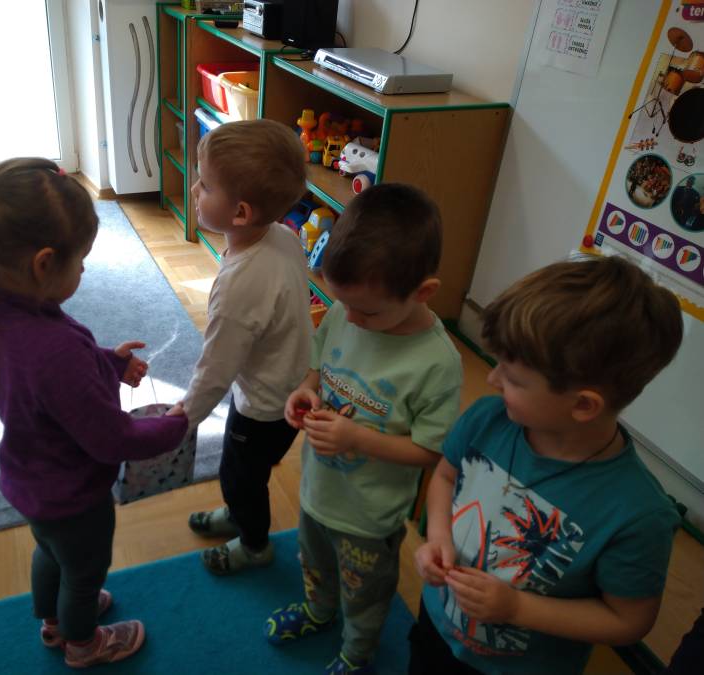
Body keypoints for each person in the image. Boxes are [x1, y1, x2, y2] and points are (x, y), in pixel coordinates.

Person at [0, 158, 188, 669]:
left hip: (30, 480)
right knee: (84, 572)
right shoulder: (54, 349)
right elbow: (112, 439)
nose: (83, 270)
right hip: (74, 495)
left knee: (50, 553)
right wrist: (175, 425)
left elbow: (52, 384)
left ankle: (53, 621)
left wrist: (109, 363)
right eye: (80, 260)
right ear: (43, 264)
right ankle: (83, 644)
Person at [412, 255, 684, 675]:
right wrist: (438, 536)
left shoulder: (637, 513)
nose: (492, 379)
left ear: (583, 405)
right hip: (437, 625)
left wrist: (517, 608)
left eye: (513, 377)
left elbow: (629, 620)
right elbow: (446, 476)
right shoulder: (487, 419)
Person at [264, 183, 464, 675]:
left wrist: (356, 439)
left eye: (367, 311)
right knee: (314, 565)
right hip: (317, 491)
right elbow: (318, 366)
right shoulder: (344, 313)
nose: (350, 318)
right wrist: (305, 391)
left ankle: (357, 653)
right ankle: (318, 610)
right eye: (342, 303)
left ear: (423, 292)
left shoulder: (437, 363)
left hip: (370, 517)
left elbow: (431, 452)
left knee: (365, 593)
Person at [176, 119, 312, 575]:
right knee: (248, 470)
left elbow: (216, 366)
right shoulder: (283, 236)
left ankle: (254, 544)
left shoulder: (239, 286)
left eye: (205, 185)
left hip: (265, 404)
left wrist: (186, 416)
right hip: (290, 383)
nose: (194, 189)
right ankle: (240, 514)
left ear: (240, 213)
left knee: (241, 478)